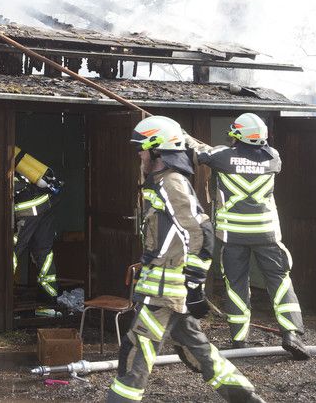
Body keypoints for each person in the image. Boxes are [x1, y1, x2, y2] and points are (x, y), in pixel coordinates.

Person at [107, 115, 263, 403]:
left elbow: (199, 231)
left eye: (142, 149)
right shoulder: (161, 182)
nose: (139, 155)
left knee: (136, 351)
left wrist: (194, 283)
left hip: (166, 292)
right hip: (163, 290)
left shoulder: (171, 183)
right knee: (198, 350)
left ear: (157, 150)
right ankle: (245, 397)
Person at [197, 112, 309, 360]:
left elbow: (201, 153)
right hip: (267, 234)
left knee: (236, 285)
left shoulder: (222, 156)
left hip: (233, 236)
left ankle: (239, 340)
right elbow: (257, 151)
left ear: (237, 134)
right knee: (280, 281)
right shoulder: (274, 158)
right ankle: (292, 333)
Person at [12, 148, 63, 316]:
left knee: (12, 251)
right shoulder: (20, 161)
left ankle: (2, 300)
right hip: (46, 203)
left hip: (28, 209)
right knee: (44, 252)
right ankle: (48, 301)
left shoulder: (0, 162)